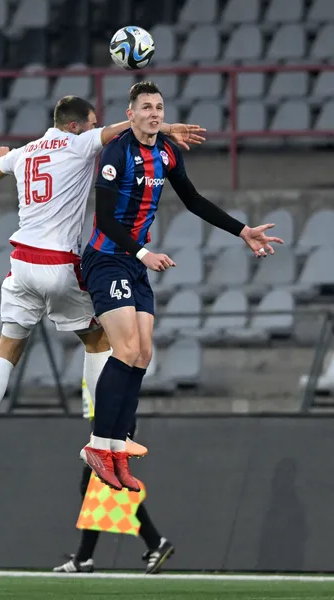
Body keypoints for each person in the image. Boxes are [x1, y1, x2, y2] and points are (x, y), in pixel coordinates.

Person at [0, 95, 206, 480]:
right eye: (90, 125)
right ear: (75, 126)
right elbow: (124, 129)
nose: (94, 131)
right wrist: (166, 127)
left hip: (20, 263)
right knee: (103, 339)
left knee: (6, 351)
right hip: (57, 264)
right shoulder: (79, 142)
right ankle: (103, 434)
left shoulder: (24, 153)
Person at [80, 81, 284, 491]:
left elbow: (193, 200)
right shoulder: (117, 153)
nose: (154, 113)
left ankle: (118, 445)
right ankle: (98, 446)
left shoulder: (166, 153)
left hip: (135, 264)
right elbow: (103, 220)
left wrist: (242, 230)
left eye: (159, 107)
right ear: (131, 112)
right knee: (126, 349)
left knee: (144, 354)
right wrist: (142, 254)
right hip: (107, 260)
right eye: (145, 107)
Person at [53, 386, 174, 575]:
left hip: (112, 421)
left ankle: (156, 542)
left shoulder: (107, 356)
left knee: (100, 487)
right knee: (94, 488)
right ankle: (84, 557)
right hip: (106, 419)